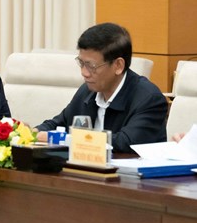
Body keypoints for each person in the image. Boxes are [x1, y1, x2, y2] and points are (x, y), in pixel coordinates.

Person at [34, 22, 167, 153]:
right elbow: (59, 123)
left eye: (91, 66)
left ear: (118, 65)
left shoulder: (149, 99)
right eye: (81, 63)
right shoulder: (87, 91)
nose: (84, 73)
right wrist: (33, 132)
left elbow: (124, 143)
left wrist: (63, 139)